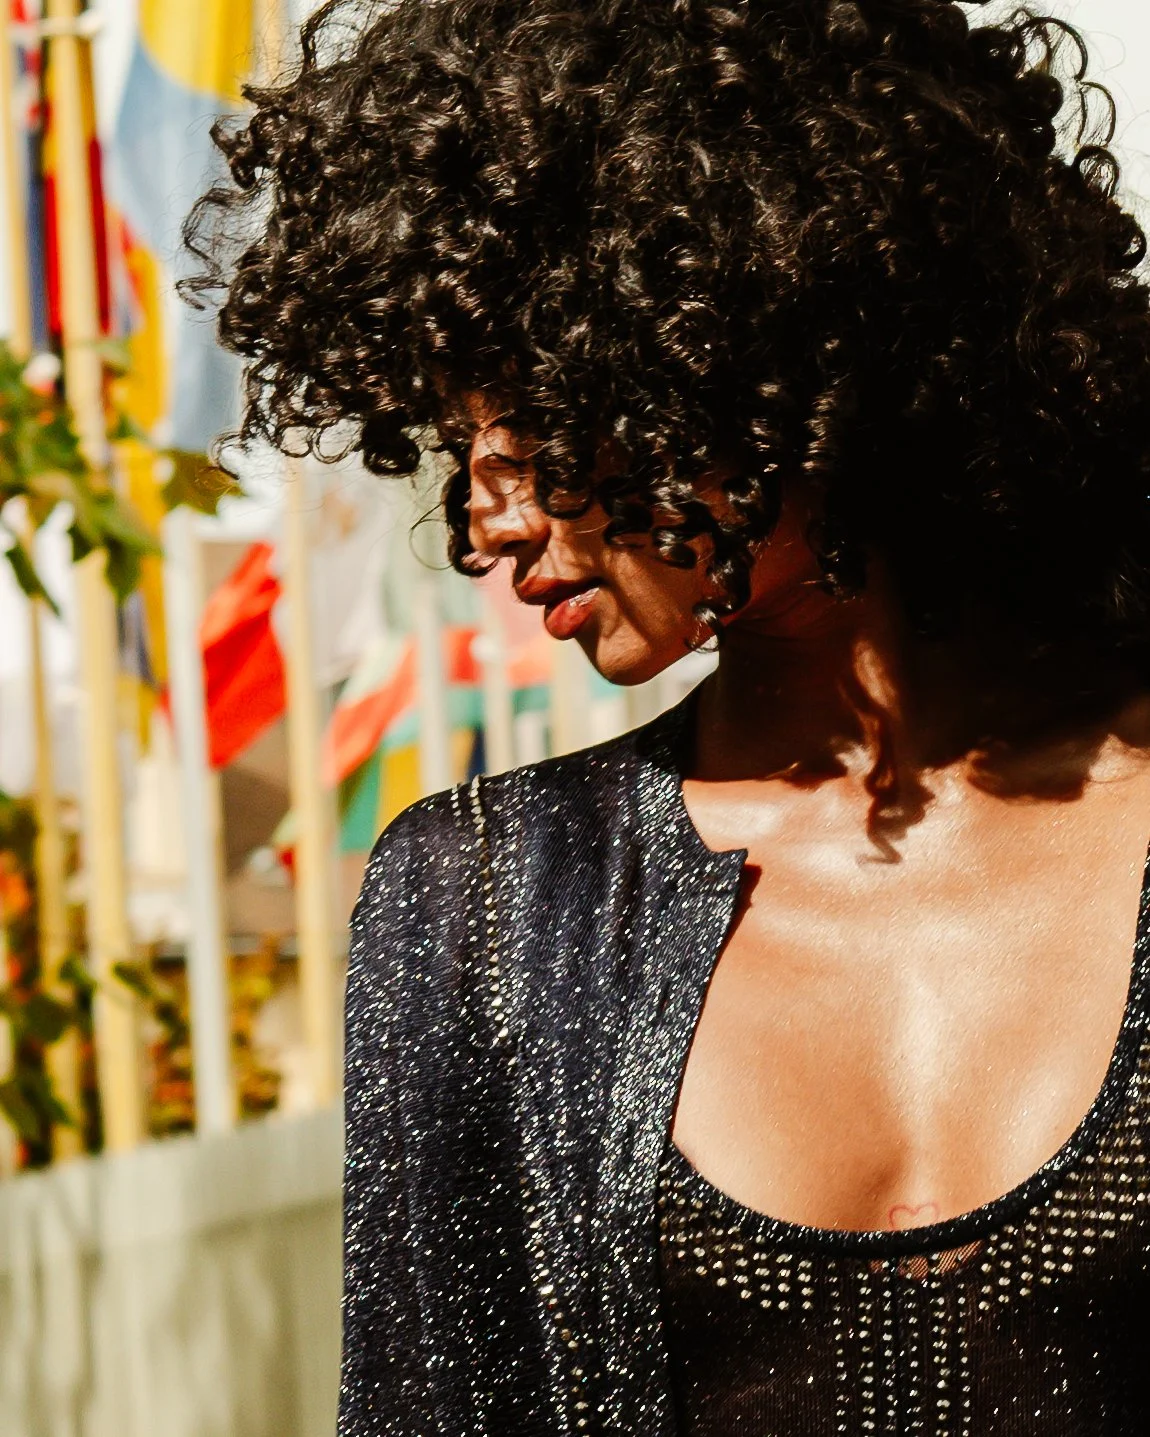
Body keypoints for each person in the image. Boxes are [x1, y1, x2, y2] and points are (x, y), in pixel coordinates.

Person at [186, 0, 1150, 1431]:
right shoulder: (488, 900)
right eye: (455, 448)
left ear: (751, 346)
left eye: (527, 426)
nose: (481, 526)